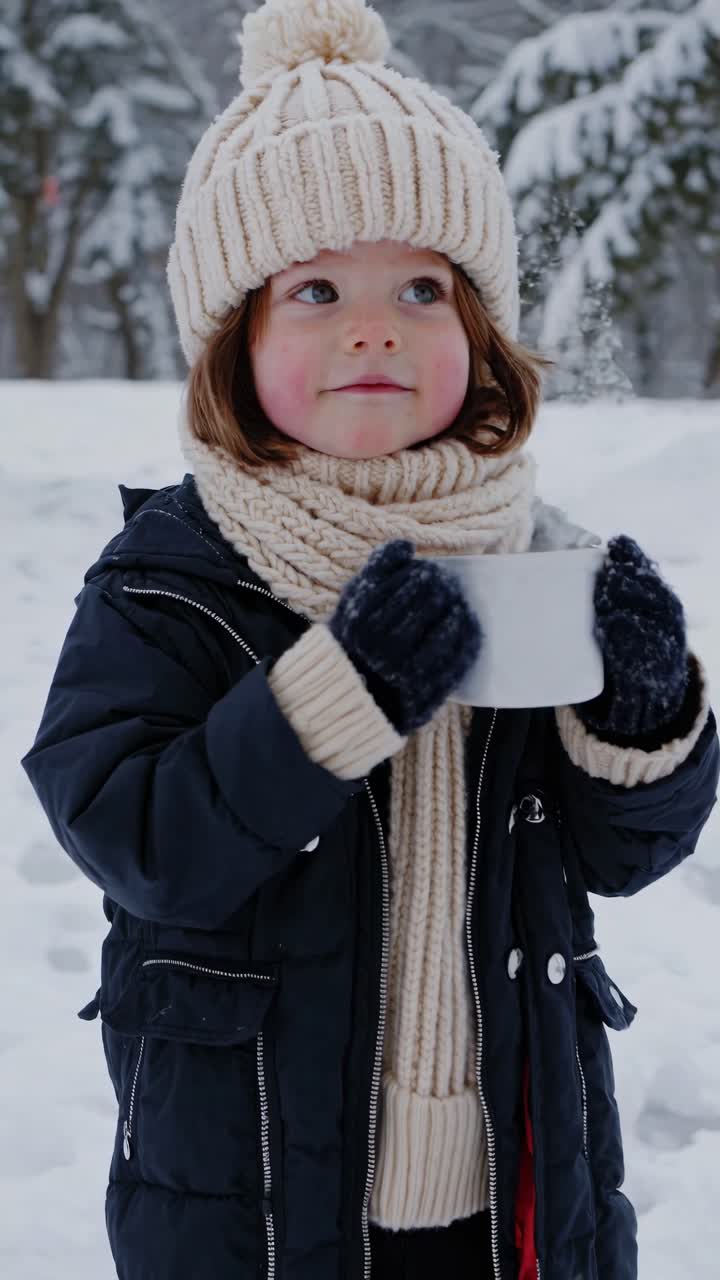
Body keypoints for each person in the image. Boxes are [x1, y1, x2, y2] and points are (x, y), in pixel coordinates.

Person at [20, 2, 719, 1279]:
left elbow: (618, 854)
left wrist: (646, 713)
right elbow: (135, 837)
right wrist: (333, 696)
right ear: (232, 339)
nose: (375, 326)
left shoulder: (531, 555)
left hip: (516, 1189)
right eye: (317, 289)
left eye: (422, 287)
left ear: (481, 331)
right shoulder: (168, 583)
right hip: (259, 1200)